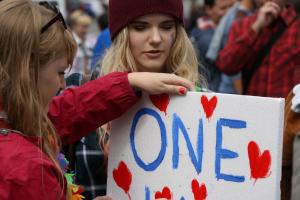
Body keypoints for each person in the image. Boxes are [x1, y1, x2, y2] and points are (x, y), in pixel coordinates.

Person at [0, 1, 195, 200]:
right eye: (140, 27)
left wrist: (128, 82)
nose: (62, 84)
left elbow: (65, 112)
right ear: (26, 72)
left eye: (167, 26)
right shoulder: (25, 168)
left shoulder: (20, 122)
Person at [216, 0, 300, 97]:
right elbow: (226, 66)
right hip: (254, 108)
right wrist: (256, 27)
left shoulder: (296, 26)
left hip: (289, 109)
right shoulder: (241, 26)